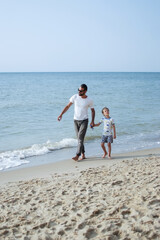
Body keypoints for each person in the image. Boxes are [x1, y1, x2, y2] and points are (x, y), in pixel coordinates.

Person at [57, 84, 95, 161]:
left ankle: (77, 155)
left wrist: (92, 121)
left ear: (85, 91)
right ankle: (83, 154)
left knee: (80, 139)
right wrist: (61, 114)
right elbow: (67, 106)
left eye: (81, 90)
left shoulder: (89, 100)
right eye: (78, 90)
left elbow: (93, 111)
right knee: (79, 139)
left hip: (84, 120)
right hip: (75, 120)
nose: (79, 91)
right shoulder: (74, 97)